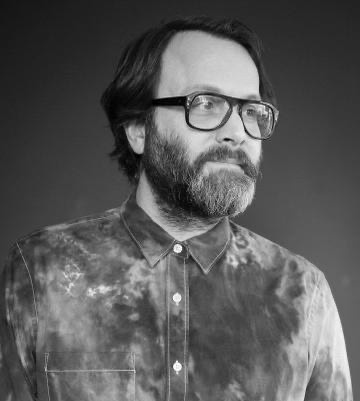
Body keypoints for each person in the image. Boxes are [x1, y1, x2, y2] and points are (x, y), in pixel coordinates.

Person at [0, 16, 353, 401]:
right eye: (205, 103)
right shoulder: (39, 271)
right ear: (138, 129)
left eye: (251, 111)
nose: (236, 131)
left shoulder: (302, 293)